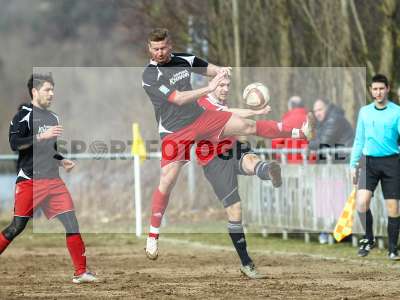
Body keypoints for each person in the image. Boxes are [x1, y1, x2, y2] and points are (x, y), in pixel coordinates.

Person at [142, 28, 315, 264]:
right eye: (155, 49)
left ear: (170, 45)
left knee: (247, 126)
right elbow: (178, 99)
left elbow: (209, 69)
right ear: (149, 49)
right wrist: (210, 87)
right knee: (168, 179)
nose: (160, 52)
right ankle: (153, 234)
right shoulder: (150, 76)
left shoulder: (185, 60)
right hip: (174, 131)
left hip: (198, 118)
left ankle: (299, 133)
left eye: (163, 47)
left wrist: (221, 71)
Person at [196, 76, 313, 278]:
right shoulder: (201, 103)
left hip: (232, 148)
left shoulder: (221, 104)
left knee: (251, 159)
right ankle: (246, 262)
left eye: (227, 85)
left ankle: (268, 170)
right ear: (212, 85)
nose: (224, 89)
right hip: (213, 161)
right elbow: (225, 114)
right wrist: (255, 112)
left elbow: (251, 125)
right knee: (235, 210)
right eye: (221, 85)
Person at [0, 73, 97, 283]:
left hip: (53, 181)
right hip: (30, 181)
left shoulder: (53, 118)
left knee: (72, 222)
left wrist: (61, 160)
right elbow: (16, 144)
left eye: (53, 89)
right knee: (16, 227)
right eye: (47, 89)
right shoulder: (23, 115)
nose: (51, 94)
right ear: (34, 92)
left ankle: (81, 272)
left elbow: (49, 148)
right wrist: (40, 136)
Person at [350, 74, 400, 259]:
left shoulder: (397, 112)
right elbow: (359, 140)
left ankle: (393, 248)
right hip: (369, 162)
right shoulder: (364, 112)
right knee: (361, 202)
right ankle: (368, 238)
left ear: (387, 89)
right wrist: (353, 164)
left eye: (381, 88)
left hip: (391, 162)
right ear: (371, 90)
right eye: (375, 89)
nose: (378, 92)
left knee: (393, 208)